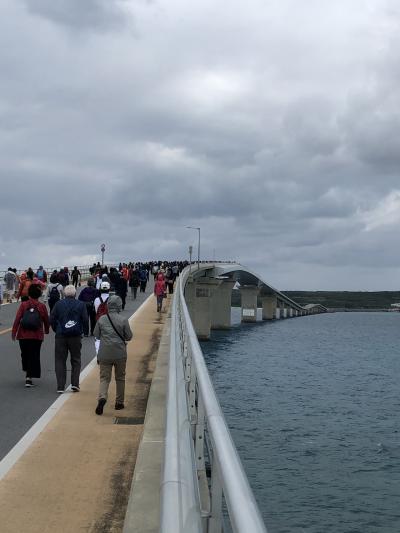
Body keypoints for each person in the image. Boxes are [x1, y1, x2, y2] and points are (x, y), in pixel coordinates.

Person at [93, 295, 133, 415]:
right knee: (120, 378)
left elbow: (96, 334)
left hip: (104, 353)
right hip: (120, 353)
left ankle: (102, 397)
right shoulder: (123, 320)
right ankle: (119, 403)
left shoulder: (102, 319)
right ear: (119, 306)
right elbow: (129, 336)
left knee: (104, 378)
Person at [50, 285, 88, 393]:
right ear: (75, 294)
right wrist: (84, 331)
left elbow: (51, 318)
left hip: (60, 335)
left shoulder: (58, 304)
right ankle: (75, 384)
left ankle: (60, 386)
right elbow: (85, 319)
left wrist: (56, 329)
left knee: (60, 360)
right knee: (76, 359)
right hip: (75, 335)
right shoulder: (81, 304)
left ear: (64, 294)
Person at [11, 284, 50, 387]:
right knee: (34, 355)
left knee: (24, 354)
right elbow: (46, 320)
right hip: (36, 336)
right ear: (39, 294)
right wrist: (46, 330)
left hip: (23, 335)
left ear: (29, 293)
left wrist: (14, 333)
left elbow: (17, 319)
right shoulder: (41, 306)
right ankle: (29, 377)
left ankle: (27, 371)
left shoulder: (23, 305)